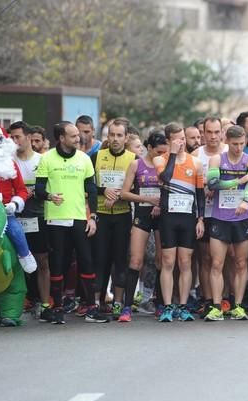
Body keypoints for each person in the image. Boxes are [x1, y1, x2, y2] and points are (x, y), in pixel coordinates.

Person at [35, 122, 106, 324]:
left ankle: (91, 308)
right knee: (58, 263)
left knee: (86, 260)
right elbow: (39, 189)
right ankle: (57, 308)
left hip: (79, 218)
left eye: (78, 135)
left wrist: (92, 217)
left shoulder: (84, 159)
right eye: (73, 136)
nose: (78, 139)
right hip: (55, 219)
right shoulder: (47, 158)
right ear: (61, 138)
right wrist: (49, 196)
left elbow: (92, 191)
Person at [206, 125, 248, 321]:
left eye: (241, 144)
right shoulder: (217, 159)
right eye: (235, 144)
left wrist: (245, 200)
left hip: (242, 217)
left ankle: (238, 305)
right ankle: (217, 306)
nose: (238, 147)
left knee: (241, 263)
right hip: (221, 217)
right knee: (217, 263)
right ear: (226, 141)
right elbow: (213, 184)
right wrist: (239, 180)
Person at [153, 124, 205, 323]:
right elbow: (164, 178)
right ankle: (167, 306)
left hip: (188, 217)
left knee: (185, 262)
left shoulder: (196, 163)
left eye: (182, 138)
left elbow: (200, 194)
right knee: (168, 262)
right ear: (168, 141)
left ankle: (182, 305)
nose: (181, 142)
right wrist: (172, 154)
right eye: (176, 139)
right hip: (168, 218)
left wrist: (200, 219)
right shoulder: (161, 159)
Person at [119, 131, 168, 322]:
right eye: (158, 152)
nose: (161, 156)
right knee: (136, 260)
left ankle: (160, 303)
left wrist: (160, 203)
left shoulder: (165, 163)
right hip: (142, 215)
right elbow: (124, 193)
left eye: (165, 152)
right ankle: (126, 307)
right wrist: (147, 199)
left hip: (162, 216)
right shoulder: (136, 164)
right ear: (149, 148)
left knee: (161, 260)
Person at [90, 118, 136, 318]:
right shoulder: (97, 156)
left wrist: (118, 195)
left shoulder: (133, 159)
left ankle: (117, 302)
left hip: (122, 215)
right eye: (112, 135)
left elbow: (136, 187)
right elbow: (89, 187)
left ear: (126, 138)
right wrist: (104, 190)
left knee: (120, 259)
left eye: (119, 135)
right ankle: (96, 302)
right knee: (100, 260)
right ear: (107, 136)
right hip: (100, 215)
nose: (115, 139)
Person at [10, 121, 51, 314]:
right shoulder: (7, 160)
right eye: (12, 137)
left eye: (17, 137)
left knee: (42, 260)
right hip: (13, 217)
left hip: (37, 216)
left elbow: (49, 189)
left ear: (28, 137)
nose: (14, 141)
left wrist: (35, 192)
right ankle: (16, 302)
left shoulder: (41, 160)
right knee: (14, 261)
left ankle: (44, 304)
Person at [191, 117, 227, 317]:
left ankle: (226, 298)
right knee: (206, 259)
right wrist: (205, 186)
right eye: (209, 132)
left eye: (216, 132)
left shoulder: (229, 151)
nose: (213, 136)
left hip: (228, 214)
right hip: (205, 213)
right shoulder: (196, 155)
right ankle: (207, 299)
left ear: (222, 132)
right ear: (203, 133)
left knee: (228, 259)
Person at [0, 126, 37, 273]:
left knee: (16, 231)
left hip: (6, 211)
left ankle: (25, 255)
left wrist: (15, 203)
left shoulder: (10, 164)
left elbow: (21, 189)